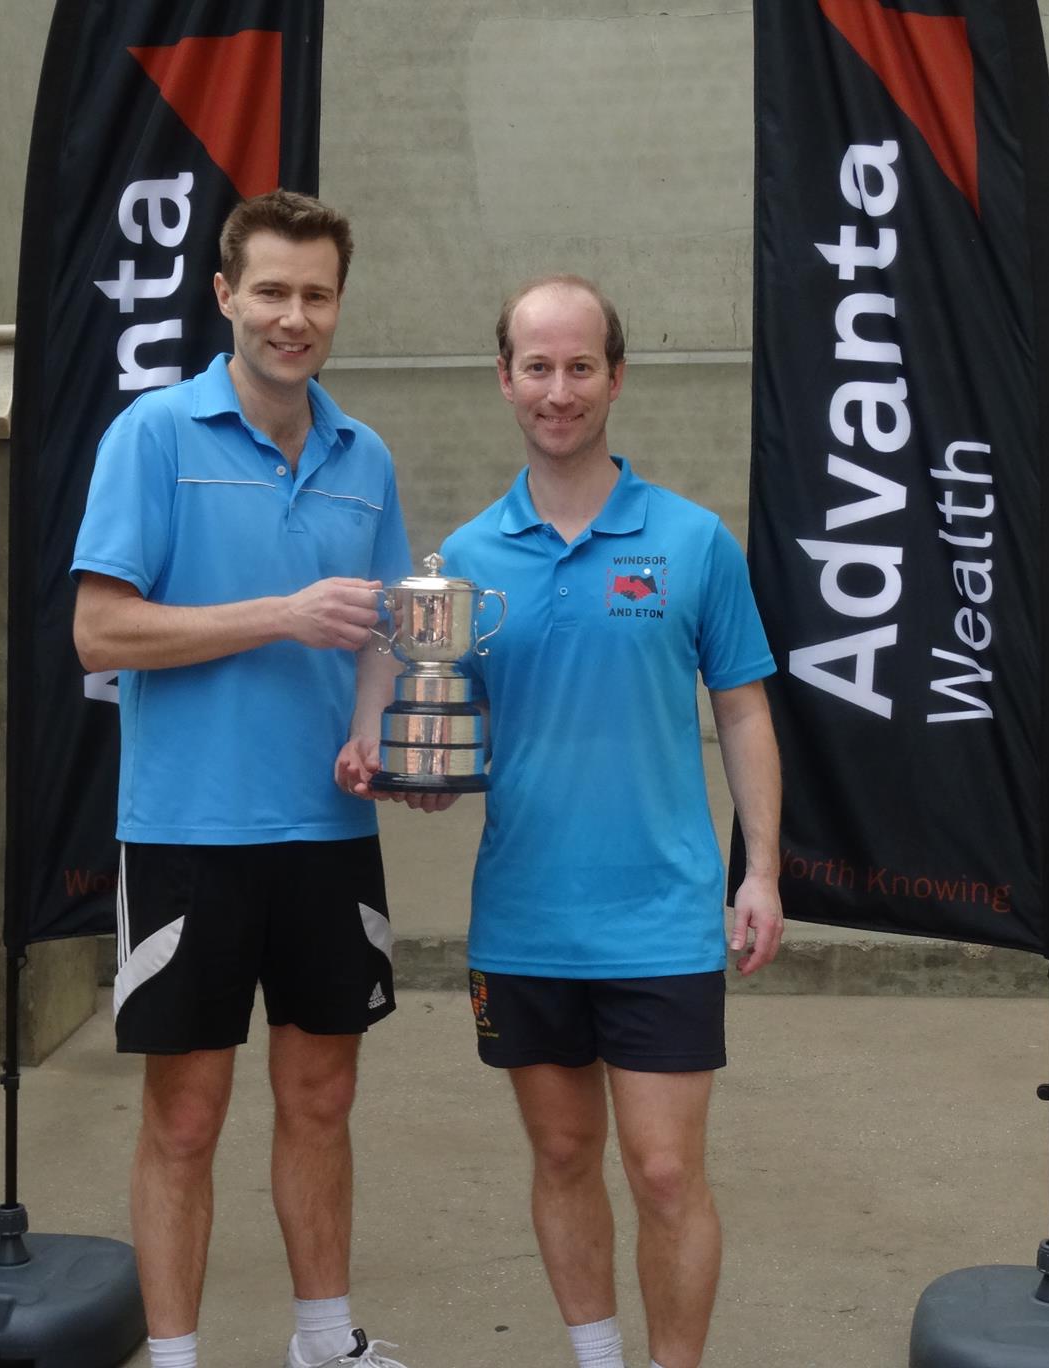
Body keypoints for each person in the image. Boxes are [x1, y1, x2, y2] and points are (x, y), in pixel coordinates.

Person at [338, 275, 785, 1368]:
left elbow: (742, 708)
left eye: (580, 365)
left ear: (616, 377)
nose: (558, 388)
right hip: (528, 920)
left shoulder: (690, 541)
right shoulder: (468, 561)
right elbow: (465, 729)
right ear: (504, 380)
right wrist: (426, 771)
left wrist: (762, 870)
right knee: (564, 1157)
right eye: (536, 366)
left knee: (667, 1172)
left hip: (662, 913)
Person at [72, 190, 414, 1368]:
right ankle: (175, 1359)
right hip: (188, 832)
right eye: (270, 290)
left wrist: (378, 731)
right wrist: (278, 614)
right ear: (224, 295)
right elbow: (99, 635)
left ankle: (327, 1341)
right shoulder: (153, 438)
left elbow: (381, 636)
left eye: (316, 294)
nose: (293, 316)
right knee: (187, 1113)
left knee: (322, 1100)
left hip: (328, 831)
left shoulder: (364, 456)